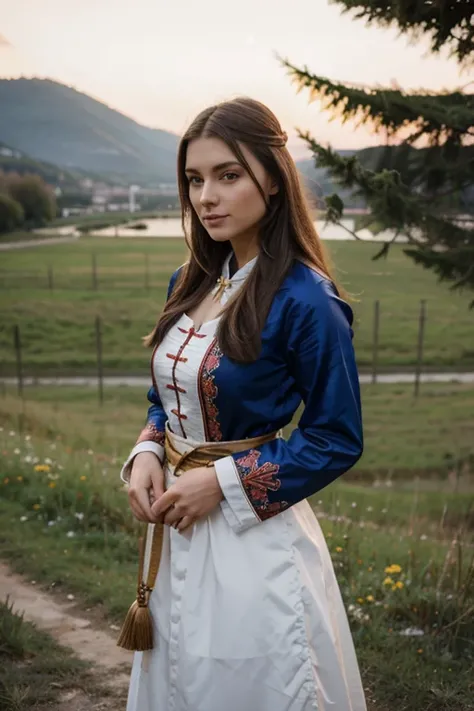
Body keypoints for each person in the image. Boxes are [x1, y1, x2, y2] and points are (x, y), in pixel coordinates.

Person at [119, 96, 366, 711]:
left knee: (243, 681)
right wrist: (149, 449)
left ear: (274, 181)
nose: (207, 197)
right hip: (176, 527)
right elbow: (166, 397)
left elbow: (336, 436)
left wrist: (221, 486)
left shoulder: (308, 300)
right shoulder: (191, 279)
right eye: (195, 179)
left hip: (251, 541)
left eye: (228, 176)